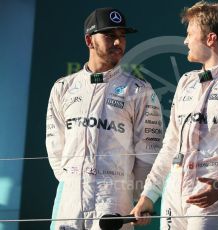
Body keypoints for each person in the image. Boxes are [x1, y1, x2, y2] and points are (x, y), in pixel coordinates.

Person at [131, 1, 218, 229]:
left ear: (211, 39)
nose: (185, 41)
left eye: (189, 34)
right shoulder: (187, 81)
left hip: (211, 192)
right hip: (173, 194)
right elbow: (170, 145)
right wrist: (148, 195)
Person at [46, 7, 163, 230]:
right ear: (89, 41)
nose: (118, 43)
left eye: (122, 37)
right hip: (68, 200)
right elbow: (55, 146)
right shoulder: (63, 87)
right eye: (110, 36)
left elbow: (150, 151)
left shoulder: (139, 90)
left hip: (114, 199)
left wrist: (140, 197)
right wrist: (72, 180)